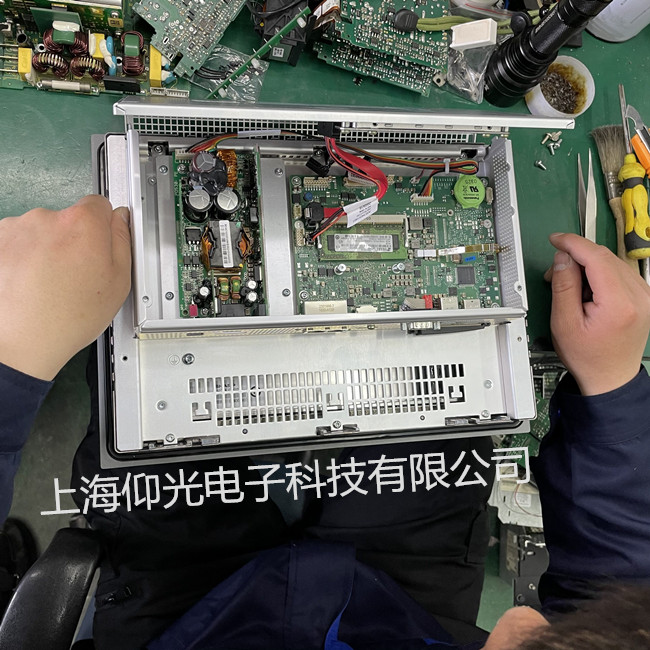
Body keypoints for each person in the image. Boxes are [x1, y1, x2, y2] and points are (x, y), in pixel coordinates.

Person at [0, 195, 649, 649]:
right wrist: (613, 390)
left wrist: (13, 357)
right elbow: (621, 597)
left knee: (147, 385)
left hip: (184, 615)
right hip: (408, 611)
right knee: (440, 416)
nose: (529, 619)